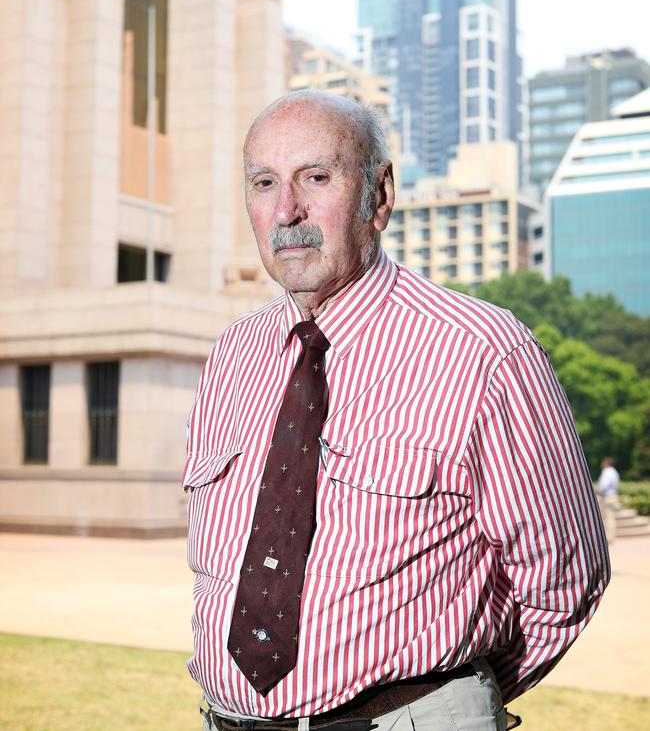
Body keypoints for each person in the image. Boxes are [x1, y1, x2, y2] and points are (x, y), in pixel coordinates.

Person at [184, 90, 610, 731]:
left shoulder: (485, 352)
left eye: (317, 177)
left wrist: (453, 707)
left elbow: (564, 581)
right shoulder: (230, 358)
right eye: (264, 182)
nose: (286, 210)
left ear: (379, 196)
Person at [597, 456, 620, 544]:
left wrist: (598, 491)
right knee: (611, 517)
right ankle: (611, 536)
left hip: (607, 497)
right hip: (613, 496)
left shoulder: (607, 472)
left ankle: (609, 537)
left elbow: (603, 485)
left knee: (608, 518)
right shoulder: (614, 472)